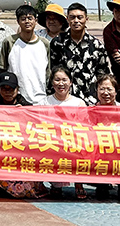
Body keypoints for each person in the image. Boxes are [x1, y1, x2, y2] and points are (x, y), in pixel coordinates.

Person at [48, 3, 111, 105]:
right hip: (64, 100)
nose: (76, 21)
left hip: (90, 100)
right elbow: (53, 71)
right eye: (72, 17)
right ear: (67, 19)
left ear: (86, 19)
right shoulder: (58, 43)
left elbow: (103, 74)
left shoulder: (96, 45)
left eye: (80, 17)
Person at [40, 66, 84, 199]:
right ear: (52, 83)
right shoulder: (44, 102)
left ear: (70, 82)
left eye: (64, 80)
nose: (61, 83)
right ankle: (55, 184)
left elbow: (85, 127)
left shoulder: (79, 103)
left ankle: (79, 183)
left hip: (73, 142)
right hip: (52, 141)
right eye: (57, 80)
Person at [0, 5, 50, 105]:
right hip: (17, 100)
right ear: (18, 21)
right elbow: (2, 69)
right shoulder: (9, 42)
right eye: (23, 19)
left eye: (30, 18)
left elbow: (48, 72)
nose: (27, 21)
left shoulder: (45, 43)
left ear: (36, 20)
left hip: (40, 98)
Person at [91, 73, 120, 200]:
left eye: (109, 89)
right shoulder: (91, 110)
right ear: (97, 91)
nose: (105, 93)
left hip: (119, 149)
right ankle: (101, 185)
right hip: (99, 149)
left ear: (115, 91)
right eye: (102, 89)